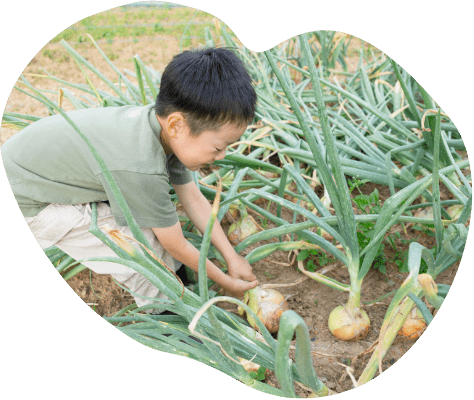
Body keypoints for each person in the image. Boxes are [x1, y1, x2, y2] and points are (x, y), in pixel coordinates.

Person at [1, 47, 259, 313]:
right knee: (138, 249)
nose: (222, 155)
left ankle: (183, 286)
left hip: (32, 175)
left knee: (156, 228)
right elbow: (174, 242)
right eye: (218, 148)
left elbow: (193, 199)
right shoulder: (141, 165)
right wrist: (225, 280)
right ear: (176, 125)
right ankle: (170, 315)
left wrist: (232, 257)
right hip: (27, 202)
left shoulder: (165, 130)